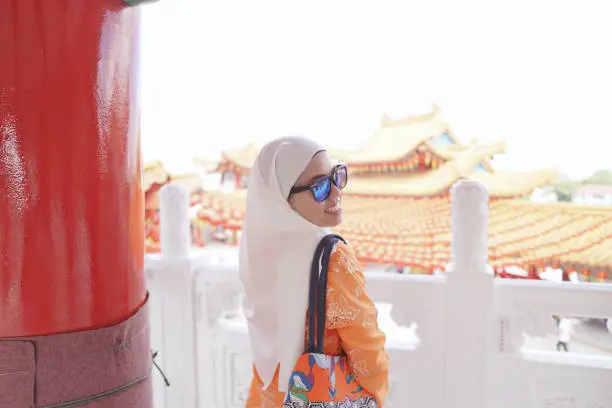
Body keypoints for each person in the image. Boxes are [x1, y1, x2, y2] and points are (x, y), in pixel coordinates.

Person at [239, 136, 389, 407]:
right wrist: (376, 394)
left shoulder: (256, 251)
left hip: (267, 394)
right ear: (283, 198)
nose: (335, 192)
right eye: (319, 187)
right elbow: (368, 350)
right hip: (317, 394)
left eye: (337, 176)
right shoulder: (330, 257)